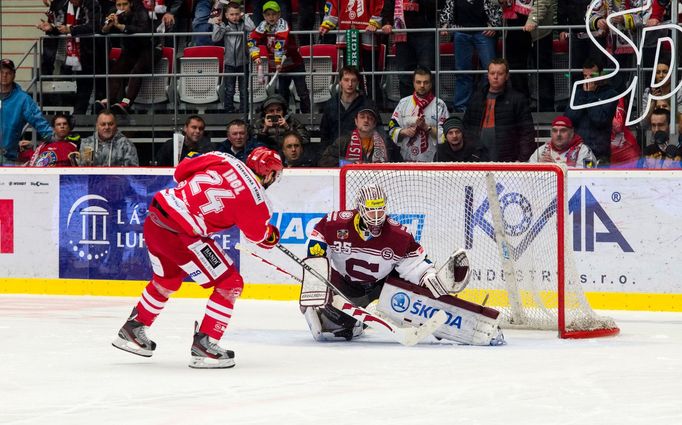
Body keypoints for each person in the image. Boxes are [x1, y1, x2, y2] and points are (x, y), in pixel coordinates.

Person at [112, 148, 284, 368]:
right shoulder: (258, 199)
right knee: (230, 283)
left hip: (156, 218)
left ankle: (132, 328)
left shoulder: (222, 157)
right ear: (268, 174)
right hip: (181, 235)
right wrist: (270, 235)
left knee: (168, 280)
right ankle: (206, 344)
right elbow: (258, 236)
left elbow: (180, 173)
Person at [301, 183, 504, 345]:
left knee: (423, 301)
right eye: (371, 212)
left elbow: (415, 266)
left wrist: (432, 279)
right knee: (333, 330)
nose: (377, 217)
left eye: (381, 210)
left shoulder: (398, 236)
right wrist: (316, 274)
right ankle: (354, 325)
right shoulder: (336, 224)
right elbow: (318, 237)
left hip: (383, 286)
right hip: (346, 286)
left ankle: (473, 327)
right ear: (360, 209)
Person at [36, 0, 107, 114]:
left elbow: (93, 26)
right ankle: (65, 118)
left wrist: (71, 29)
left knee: (84, 90)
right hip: (66, 56)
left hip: (88, 54)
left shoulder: (92, 4)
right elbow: (59, 27)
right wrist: (51, 28)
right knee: (64, 90)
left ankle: (79, 120)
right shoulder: (61, 4)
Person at [462, 57, 535, 162]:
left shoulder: (517, 99)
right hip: (477, 158)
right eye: (492, 73)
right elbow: (466, 128)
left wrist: (521, 160)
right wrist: (470, 153)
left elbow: (527, 133)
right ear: (487, 75)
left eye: (500, 74)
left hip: (508, 160)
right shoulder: (477, 98)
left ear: (507, 76)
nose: (495, 77)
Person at [247, 1, 311, 113]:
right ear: (263, 16)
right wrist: (256, 56)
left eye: (274, 14)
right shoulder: (263, 25)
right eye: (268, 14)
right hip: (280, 67)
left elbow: (280, 44)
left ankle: (307, 115)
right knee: (282, 94)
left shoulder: (283, 24)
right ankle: (284, 117)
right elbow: (252, 40)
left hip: (295, 64)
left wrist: (277, 62)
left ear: (279, 14)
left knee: (302, 92)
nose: (271, 17)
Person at [439, 0, 501, 113]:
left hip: (483, 32)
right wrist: (445, 24)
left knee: (490, 71)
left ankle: (489, 105)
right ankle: (461, 108)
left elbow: (498, 8)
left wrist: (494, 25)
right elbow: (447, 10)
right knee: (462, 72)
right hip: (461, 32)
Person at [98, 0, 160, 114]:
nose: (122, 7)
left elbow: (143, 31)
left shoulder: (141, 11)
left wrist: (120, 26)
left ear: (130, 4)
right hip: (131, 50)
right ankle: (109, 99)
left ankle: (126, 102)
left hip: (150, 48)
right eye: (119, 5)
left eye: (125, 4)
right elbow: (102, 30)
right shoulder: (113, 12)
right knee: (116, 70)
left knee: (136, 71)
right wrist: (108, 26)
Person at [372, 0, 442, 99]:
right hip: (402, 33)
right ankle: (407, 109)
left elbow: (439, 4)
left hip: (426, 33)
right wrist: (387, 23)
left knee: (428, 72)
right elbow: (387, 7)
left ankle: (429, 108)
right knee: (404, 75)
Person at [564, 57, 619, 165]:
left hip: (598, 152)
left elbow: (600, 120)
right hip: (577, 151)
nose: (588, 79)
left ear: (601, 74)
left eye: (592, 76)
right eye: (585, 76)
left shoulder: (610, 94)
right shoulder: (578, 93)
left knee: (596, 181)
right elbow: (569, 119)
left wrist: (590, 95)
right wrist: (584, 96)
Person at [388, 66, 448, 162]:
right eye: (418, 82)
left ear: (431, 84)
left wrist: (427, 127)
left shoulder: (440, 105)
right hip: (406, 159)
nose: (422, 85)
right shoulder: (403, 103)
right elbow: (391, 129)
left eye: (426, 82)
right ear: (413, 83)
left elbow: (446, 135)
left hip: (432, 161)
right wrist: (404, 131)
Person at [0, 59, 54, 165]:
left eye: (8, 73)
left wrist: (53, 137)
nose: (4, 75)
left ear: (14, 75)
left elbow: (38, 120)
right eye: (1, 72)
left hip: (8, 159)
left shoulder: (23, 99)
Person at [318, 106, 402, 166]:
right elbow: (324, 161)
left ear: (375, 123)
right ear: (356, 121)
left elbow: (400, 163)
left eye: (370, 118)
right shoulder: (344, 141)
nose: (366, 120)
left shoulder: (387, 143)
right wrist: (349, 164)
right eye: (362, 117)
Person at [319, 66, 369, 148]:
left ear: (358, 82)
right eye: (346, 80)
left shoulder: (367, 104)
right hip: (335, 153)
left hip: (359, 153)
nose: (350, 84)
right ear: (340, 81)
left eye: (353, 80)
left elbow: (377, 131)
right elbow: (324, 134)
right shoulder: (330, 105)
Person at [212, 1, 249, 112]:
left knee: (243, 90)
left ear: (240, 14)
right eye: (232, 14)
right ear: (227, 15)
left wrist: (245, 17)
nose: (235, 17)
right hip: (229, 64)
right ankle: (229, 110)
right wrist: (217, 25)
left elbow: (252, 28)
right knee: (229, 89)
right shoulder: (224, 25)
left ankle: (244, 110)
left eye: (237, 14)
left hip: (243, 63)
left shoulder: (243, 24)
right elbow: (215, 38)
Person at [528, 116, 596, 168]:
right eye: (554, 131)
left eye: (563, 131)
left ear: (571, 133)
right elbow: (528, 172)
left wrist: (556, 167)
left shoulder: (584, 151)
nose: (558, 134)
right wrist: (539, 167)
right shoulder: (541, 150)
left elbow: (587, 174)